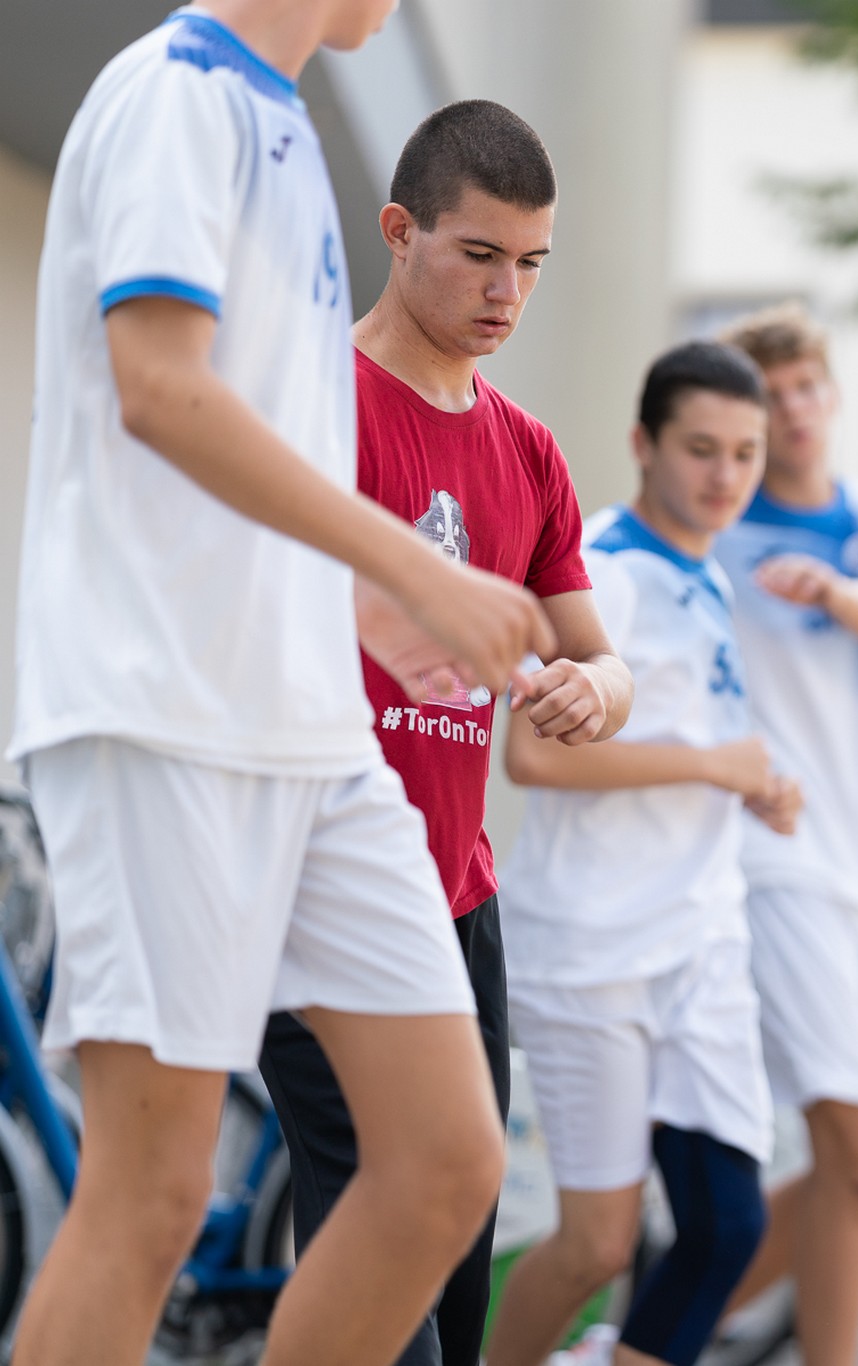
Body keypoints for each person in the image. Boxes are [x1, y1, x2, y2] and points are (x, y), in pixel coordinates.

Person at [10, 4, 560, 1363]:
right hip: (162, 711)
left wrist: (368, 605)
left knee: (444, 1161)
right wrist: (418, 570)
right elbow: (156, 385)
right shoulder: (177, 94)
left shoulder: (277, 124)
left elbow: (256, 459)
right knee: (152, 1198)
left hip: (307, 728)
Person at [256, 99, 633, 1366]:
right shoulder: (307, 397)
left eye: (530, 265)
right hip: (314, 880)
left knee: (457, 1267)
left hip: (459, 901)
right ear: (399, 229)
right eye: (479, 255)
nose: (506, 293)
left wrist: (602, 690)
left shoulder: (527, 450)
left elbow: (593, 654)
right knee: (387, 1274)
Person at [484, 341, 801, 1366]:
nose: (724, 475)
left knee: (725, 1227)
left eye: (745, 453)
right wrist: (713, 765)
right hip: (594, 951)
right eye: (701, 448)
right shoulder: (607, 574)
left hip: (697, 946)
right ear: (642, 444)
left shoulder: (709, 580)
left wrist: (754, 786)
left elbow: (687, 751)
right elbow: (533, 756)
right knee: (594, 1245)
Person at [707, 304, 858, 1366]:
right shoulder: (712, 525)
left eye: (807, 387)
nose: (794, 410)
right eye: (770, 396)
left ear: (830, 395)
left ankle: (644, 1336)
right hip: (771, 854)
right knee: (849, 1142)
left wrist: (837, 590)